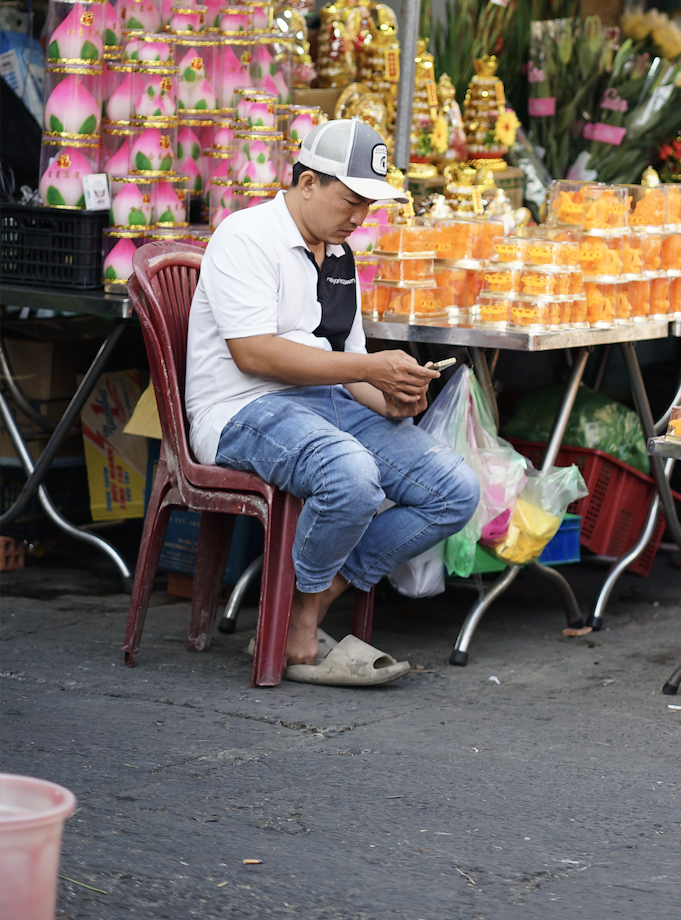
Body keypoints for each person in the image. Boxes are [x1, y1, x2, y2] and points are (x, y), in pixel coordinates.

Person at [185, 119, 480, 682]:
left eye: (368, 204)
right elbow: (253, 353)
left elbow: (348, 360)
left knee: (454, 490)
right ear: (307, 183)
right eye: (351, 200)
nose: (359, 217)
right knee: (351, 475)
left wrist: (390, 397)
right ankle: (297, 623)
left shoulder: (340, 256)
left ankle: (306, 607)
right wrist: (369, 370)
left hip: (321, 404)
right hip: (241, 409)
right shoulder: (246, 236)